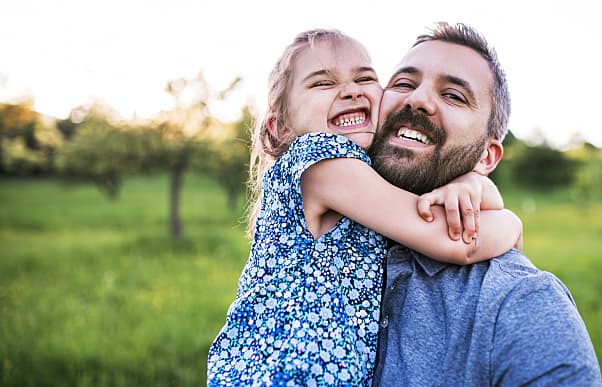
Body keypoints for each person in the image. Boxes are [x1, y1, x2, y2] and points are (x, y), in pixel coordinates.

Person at [207, 29, 522, 386]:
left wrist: (469, 183)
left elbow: (447, 203)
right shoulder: (321, 161)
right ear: (280, 127)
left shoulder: (365, 176)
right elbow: (454, 239)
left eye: (365, 78)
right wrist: (511, 224)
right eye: (323, 83)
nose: (352, 91)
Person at [368, 22, 602, 386]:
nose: (417, 99)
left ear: (486, 157)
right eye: (402, 83)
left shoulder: (521, 303)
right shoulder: (315, 230)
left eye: (454, 95)